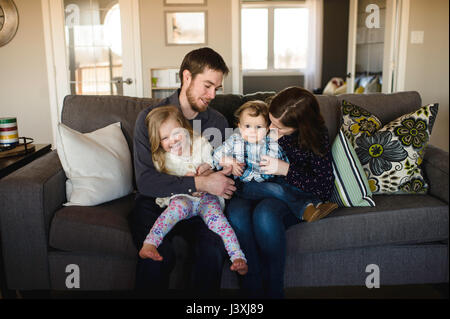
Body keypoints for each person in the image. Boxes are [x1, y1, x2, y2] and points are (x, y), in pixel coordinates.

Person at [129, 47, 236, 298]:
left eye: (216, 89)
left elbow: (223, 174)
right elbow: (145, 181)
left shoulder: (217, 122)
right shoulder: (150, 118)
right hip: (155, 202)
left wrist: (220, 172)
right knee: (157, 255)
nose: (212, 95)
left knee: (211, 250)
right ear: (187, 77)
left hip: (199, 206)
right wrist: (200, 181)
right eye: (207, 86)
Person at [226, 87, 337, 298]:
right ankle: (253, 289)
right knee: (237, 215)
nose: (272, 130)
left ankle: (274, 291)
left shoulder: (315, 135)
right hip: (252, 186)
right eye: (271, 122)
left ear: (300, 126)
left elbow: (323, 187)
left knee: (265, 215)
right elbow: (236, 143)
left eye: (280, 128)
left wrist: (285, 169)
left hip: (287, 191)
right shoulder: (262, 119)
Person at [139, 105, 248, 276]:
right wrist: (189, 180)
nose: (173, 140)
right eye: (165, 138)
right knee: (172, 212)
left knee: (220, 223)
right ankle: (150, 243)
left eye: (176, 133)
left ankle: (237, 257)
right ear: (159, 142)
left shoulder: (200, 143)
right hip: (182, 199)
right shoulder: (162, 158)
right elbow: (159, 182)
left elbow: (211, 162)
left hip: (207, 199)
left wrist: (207, 169)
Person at [213, 100, 334, 221]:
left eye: (258, 127)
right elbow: (216, 154)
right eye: (247, 126)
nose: (252, 131)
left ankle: (316, 203)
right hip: (245, 184)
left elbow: (283, 162)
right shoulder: (235, 140)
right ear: (239, 127)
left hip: (270, 180)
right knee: (277, 189)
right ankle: (303, 210)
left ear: (267, 129)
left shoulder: (271, 143)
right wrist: (227, 160)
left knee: (286, 185)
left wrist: (278, 163)